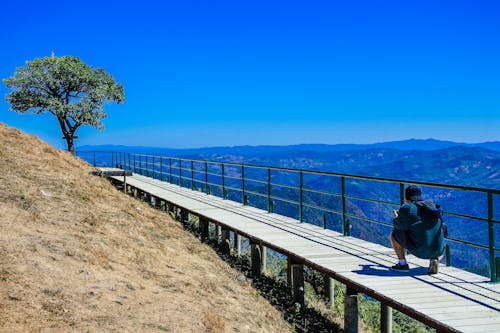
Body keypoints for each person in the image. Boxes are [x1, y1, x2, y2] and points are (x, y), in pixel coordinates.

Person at [389, 185, 445, 274]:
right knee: (440, 235)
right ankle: (435, 259)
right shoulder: (433, 206)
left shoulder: (407, 208)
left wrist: (397, 217)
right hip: (438, 249)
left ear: (407, 198)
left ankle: (402, 264)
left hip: (419, 251)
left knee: (394, 233)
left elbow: (398, 226)